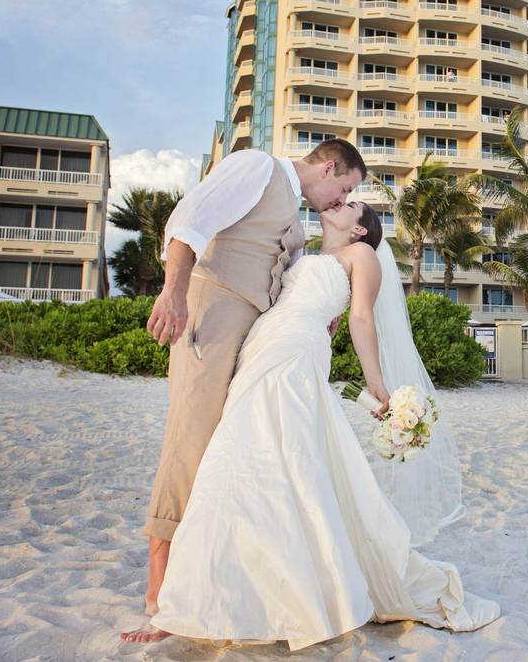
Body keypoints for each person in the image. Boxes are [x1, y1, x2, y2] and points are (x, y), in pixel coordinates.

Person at [136, 202, 499, 648]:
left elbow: (361, 317)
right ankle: (233, 593)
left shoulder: (361, 257)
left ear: (361, 230)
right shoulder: (305, 256)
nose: (337, 204)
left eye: (350, 205)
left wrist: (376, 383)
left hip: (294, 354)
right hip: (260, 348)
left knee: (254, 459)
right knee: (251, 458)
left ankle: (203, 603)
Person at [121, 139, 364, 642]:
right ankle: (158, 587)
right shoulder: (257, 168)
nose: (340, 201)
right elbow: (190, 221)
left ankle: (207, 577)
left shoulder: (297, 223)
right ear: (328, 166)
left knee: (226, 451)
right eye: (343, 188)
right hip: (211, 313)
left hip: (254, 337)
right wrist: (174, 292)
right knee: (189, 441)